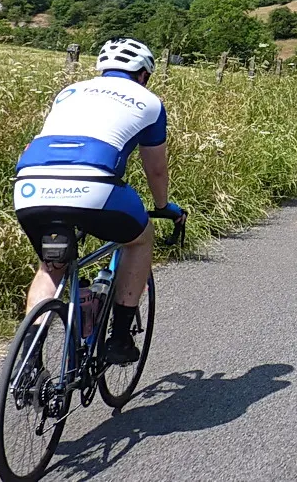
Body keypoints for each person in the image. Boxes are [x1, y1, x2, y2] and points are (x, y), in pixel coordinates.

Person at [13, 37, 183, 365]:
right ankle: (119, 340)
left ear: (102, 68)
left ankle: (29, 364)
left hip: (30, 185)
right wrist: (163, 207)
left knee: (51, 267)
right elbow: (157, 170)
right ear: (144, 74)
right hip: (93, 185)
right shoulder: (148, 101)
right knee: (139, 239)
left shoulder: (70, 91)